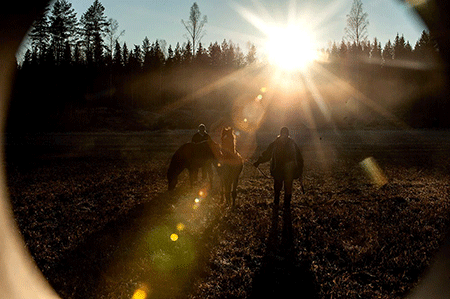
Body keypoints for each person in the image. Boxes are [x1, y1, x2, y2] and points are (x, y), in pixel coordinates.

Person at [253, 127, 304, 238]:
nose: (284, 136)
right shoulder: (275, 144)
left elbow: (299, 157)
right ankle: (276, 203)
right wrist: (258, 161)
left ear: (288, 135)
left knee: (288, 188)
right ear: (280, 135)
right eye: (283, 134)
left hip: (289, 171)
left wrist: (299, 169)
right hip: (278, 170)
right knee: (277, 188)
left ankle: (287, 205)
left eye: (286, 134)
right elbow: (267, 154)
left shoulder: (292, 144)